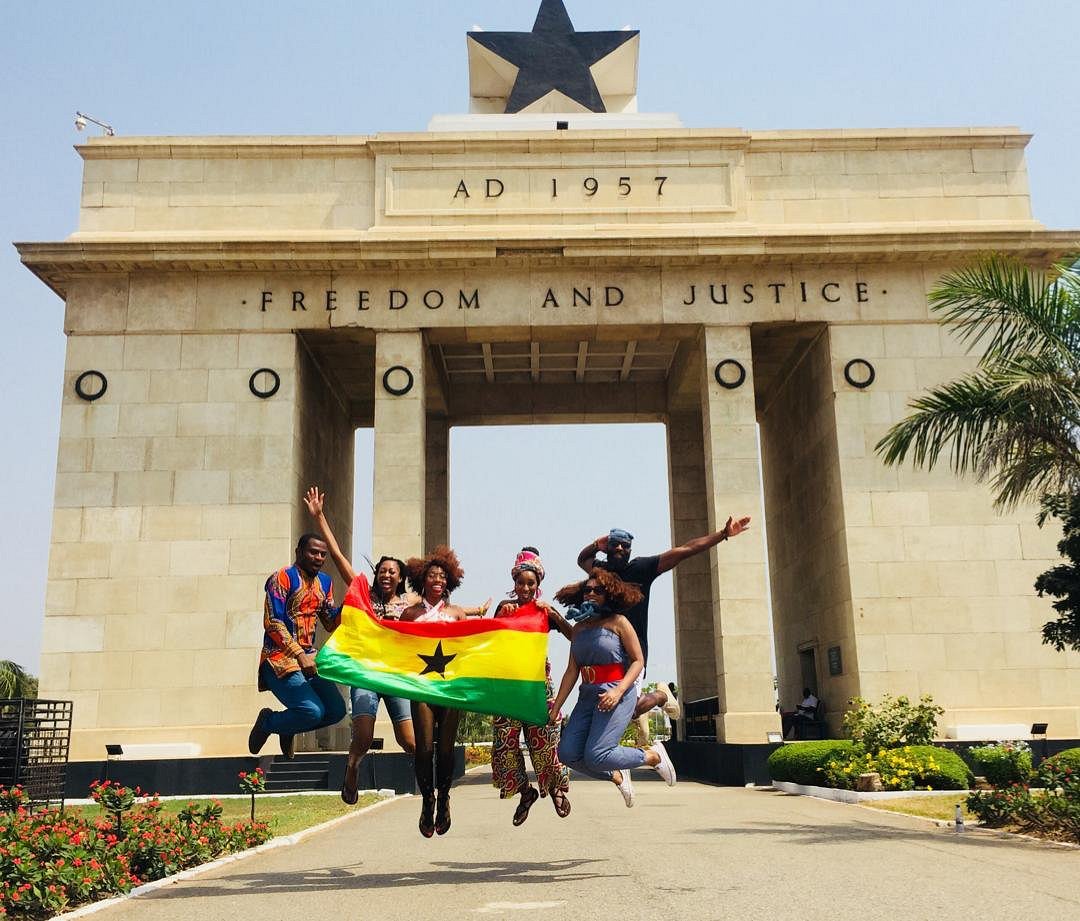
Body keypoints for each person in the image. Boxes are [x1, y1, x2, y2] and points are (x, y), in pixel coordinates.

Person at [302, 486, 417, 805]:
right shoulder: (363, 595)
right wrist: (320, 515)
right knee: (363, 738)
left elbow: (442, 613)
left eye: (393, 572)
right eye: (382, 571)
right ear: (376, 575)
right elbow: (338, 556)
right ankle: (352, 769)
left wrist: (477, 612)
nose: (387, 575)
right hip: (366, 676)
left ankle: (432, 793)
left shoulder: (410, 602)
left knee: (410, 743)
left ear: (400, 577)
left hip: (394, 678)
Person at [576, 518, 752, 722]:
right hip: (606, 648)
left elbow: (686, 550)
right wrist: (596, 544)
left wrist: (722, 534)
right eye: (615, 544)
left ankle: (661, 695)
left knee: (629, 710)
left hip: (634, 651)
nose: (620, 548)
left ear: (631, 550)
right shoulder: (600, 572)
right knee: (611, 709)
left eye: (626, 545)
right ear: (607, 548)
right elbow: (582, 559)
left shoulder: (642, 568)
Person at [550, 569, 677, 808]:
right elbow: (571, 670)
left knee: (597, 754)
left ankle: (653, 756)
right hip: (587, 695)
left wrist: (618, 691)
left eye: (597, 591)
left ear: (608, 595)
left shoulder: (619, 622)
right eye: (587, 590)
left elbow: (638, 660)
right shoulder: (579, 629)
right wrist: (556, 708)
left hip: (616, 692)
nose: (591, 594)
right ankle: (617, 775)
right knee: (567, 753)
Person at [400, 546, 490, 837]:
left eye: (442, 576)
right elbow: (398, 647)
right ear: (422, 581)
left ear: (449, 581)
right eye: (432, 575)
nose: (437, 580)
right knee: (425, 749)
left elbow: (467, 649)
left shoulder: (456, 613)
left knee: (447, 748)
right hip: (422, 687)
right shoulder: (410, 614)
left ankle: (445, 799)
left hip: (451, 689)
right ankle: (427, 800)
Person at [490, 547, 573, 826]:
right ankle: (526, 792)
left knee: (544, 742)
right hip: (507, 689)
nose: (525, 588)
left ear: (538, 585)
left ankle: (557, 790)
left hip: (537, 687)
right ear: (514, 583)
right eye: (520, 582)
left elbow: (575, 637)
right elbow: (489, 639)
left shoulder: (544, 611)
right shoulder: (504, 607)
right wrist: (500, 615)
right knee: (505, 745)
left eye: (530, 583)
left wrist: (556, 616)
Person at [248, 532, 346, 759]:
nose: (319, 557)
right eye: (313, 552)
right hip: (279, 659)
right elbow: (272, 622)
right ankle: (268, 722)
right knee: (312, 712)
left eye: (323, 554)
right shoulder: (282, 578)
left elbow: (330, 621)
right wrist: (299, 654)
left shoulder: (325, 582)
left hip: (309, 660)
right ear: (299, 552)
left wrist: (352, 603)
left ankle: (287, 726)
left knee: (336, 711)